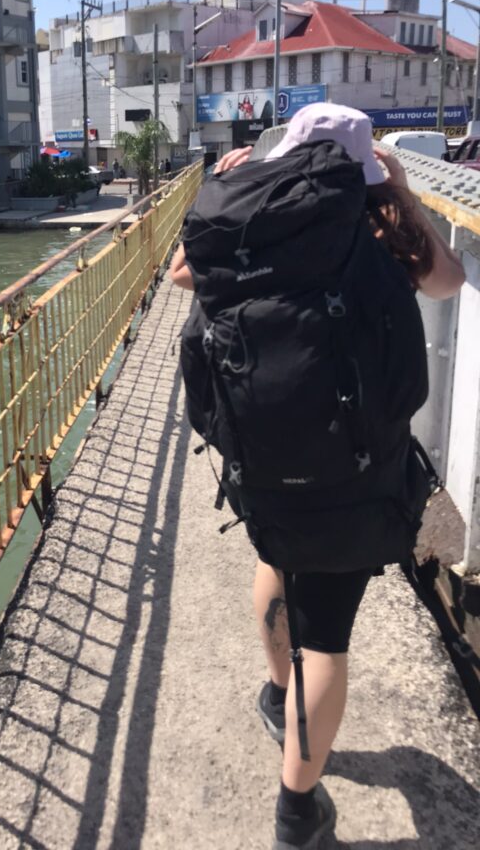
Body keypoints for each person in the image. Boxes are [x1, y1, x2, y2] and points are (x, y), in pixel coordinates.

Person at [169, 104, 465, 849]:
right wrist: (399, 190)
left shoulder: (251, 224)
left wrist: (224, 193)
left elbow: (182, 274)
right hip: (357, 469)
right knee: (325, 640)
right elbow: (449, 281)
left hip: (264, 459)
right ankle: (297, 813)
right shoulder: (380, 228)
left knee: (277, 562)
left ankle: (277, 692)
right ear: (365, 168)